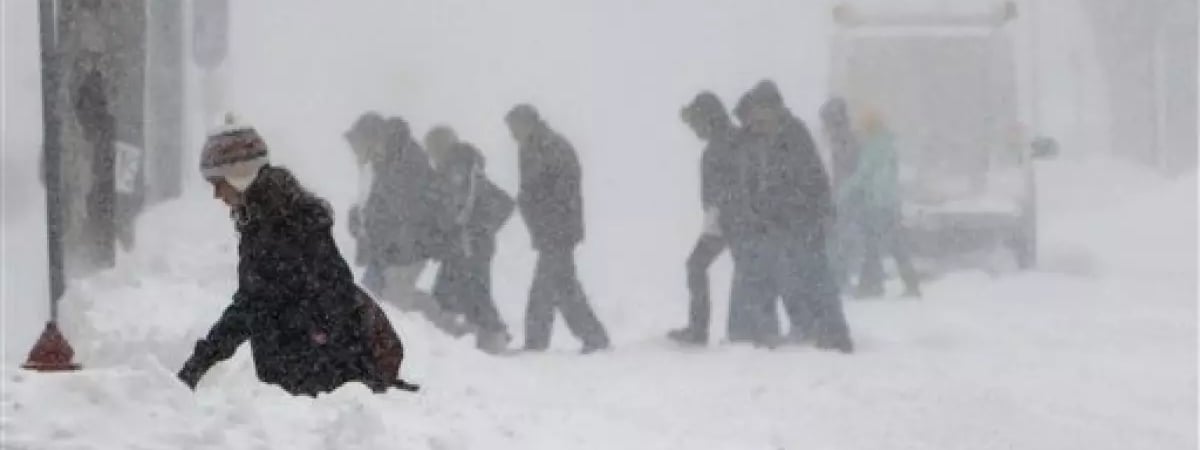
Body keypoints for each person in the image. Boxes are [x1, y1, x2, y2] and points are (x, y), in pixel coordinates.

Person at [178, 116, 417, 396]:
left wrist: (202, 360)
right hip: (310, 371)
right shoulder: (268, 216)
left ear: (240, 175)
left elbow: (264, 302)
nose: (216, 194)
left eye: (219, 183)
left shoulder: (282, 224)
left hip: (317, 376)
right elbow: (258, 302)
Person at [728, 80, 853, 352]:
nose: (756, 119)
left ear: (775, 108)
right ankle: (802, 329)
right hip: (783, 222)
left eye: (761, 112)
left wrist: (789, 207)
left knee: (816, 276)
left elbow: (807, 180)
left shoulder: (793, 134)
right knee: (791, 276)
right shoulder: (767, 136)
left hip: (804, 219)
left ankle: (833, 333)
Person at [347, 115, 469, 336]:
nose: (355, 151)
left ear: (372, 139)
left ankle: (448, 330)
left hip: (408, 247)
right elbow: (379, 206)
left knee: (394, 303)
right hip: (389, 248)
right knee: (375, 296)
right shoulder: (384, 162)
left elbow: (406, 212)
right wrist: (360, 219)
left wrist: (377, 228)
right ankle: (446, 325)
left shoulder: (405, 161)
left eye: (356, 144)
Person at [505, 104, 610, 354]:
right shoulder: (533, 146)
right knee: (563, 286)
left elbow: (560, 190)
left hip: (557, 229)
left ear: (528, 123)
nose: (511, 134)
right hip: (550, 229)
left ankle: (539, 340)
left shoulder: (551, 147)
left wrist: (548, 220)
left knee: (546, 287)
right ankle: (592, 337)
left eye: (514, 128)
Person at [667, 92, 740, 346]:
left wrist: (719, 216)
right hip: (729, 220)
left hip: (729, 221)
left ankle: (702, 330)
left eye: (695, 122)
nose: (694, 129)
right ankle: (735, 330)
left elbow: (725, 191)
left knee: (698, 267)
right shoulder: (730, 141)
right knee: (749, 274)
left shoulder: (722, 146)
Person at [431, 139, 516, 354]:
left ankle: (491, 336)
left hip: (471, 245)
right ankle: (487, 335)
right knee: (465, 292)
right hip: (466, 245)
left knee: (470, 292)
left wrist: (481, 226)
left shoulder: (463, 173)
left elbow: (502, 203)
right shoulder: (468, 173)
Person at [839, 109, 921, 298]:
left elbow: (863, 174)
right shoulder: (888, 144)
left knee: (873, 245)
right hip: (890, 202)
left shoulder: (874, 146)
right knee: (894, 245)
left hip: (877, 203)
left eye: (864, 126)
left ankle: (872, 286)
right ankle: (910, 283)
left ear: (870, 127)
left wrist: (843, 192)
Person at [820, 97, 863, 291]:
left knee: (841, 239)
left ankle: (839, 279)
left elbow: (851, 170)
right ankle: (838, 277)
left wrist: (841, 193)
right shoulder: (840, 139)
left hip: (845, 197)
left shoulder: (846, 140)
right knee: (837, 239)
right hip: (840, 195)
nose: (826, 127)